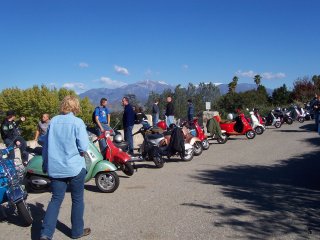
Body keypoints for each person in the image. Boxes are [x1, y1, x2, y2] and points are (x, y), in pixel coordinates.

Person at [40, 96, 90, 240]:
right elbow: (84, 146)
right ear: (75, 107)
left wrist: (45, 163)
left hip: (56, 168)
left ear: (63, 106)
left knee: (55, 199)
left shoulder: (53, 121)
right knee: (77, 199)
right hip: (74, 168)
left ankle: (46, 234)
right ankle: (77, 232)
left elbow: (46, 146)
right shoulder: (77, 122)